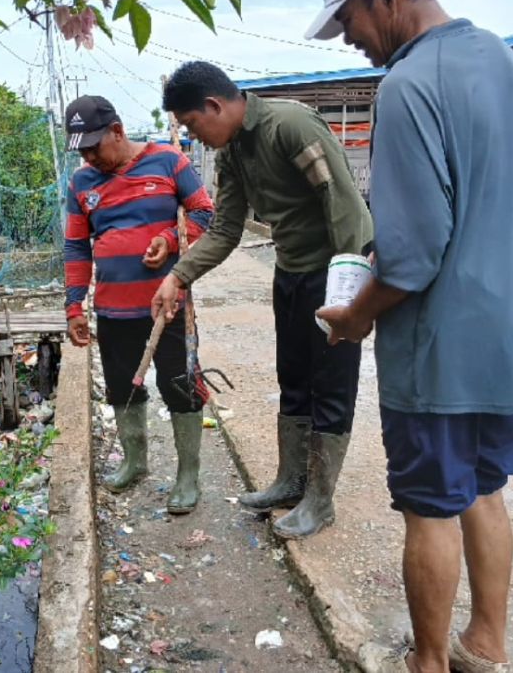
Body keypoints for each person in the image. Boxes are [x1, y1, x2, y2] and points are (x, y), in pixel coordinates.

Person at [308, 0, 513, 672]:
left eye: (351, 20)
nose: (351, 38)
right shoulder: (507, 63)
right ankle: (485, 645)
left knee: (430, 505)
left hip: (442, 346)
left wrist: (357, 316)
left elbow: (416, 253)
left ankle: (426, 663)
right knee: (484, 488)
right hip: (509, 336)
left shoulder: (411, 84)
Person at [152, 61, 373, 539]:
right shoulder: (232, 152)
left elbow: (346, 208)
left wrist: (350, 297)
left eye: (192, 125)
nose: (195, 136)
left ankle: (320, 500)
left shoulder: (289, 127)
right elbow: (227, 228)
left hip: (332, 274)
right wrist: (179, 276)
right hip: (289, 273)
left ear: (214, 106)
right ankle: (290, 481)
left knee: (331, 386)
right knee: (293, 378)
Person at [63, 95, 215, 514]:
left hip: (167, 308)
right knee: (121, 387)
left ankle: (188, 475)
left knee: (180, 385)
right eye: (82, 150)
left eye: (95, 146)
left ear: (118, 131)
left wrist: (169, 240)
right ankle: (135, 461)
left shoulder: (169, 162)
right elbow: (76, 246)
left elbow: (204, 212)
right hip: (113, 310)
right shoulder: (81, 183)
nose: (90, 156)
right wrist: (75, 306)